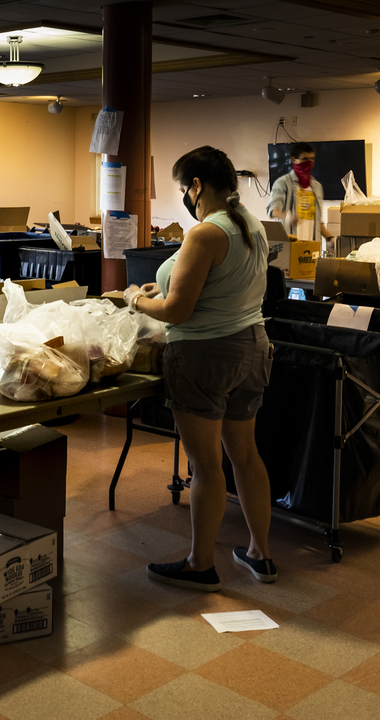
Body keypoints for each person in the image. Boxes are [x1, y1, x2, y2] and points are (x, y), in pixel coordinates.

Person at [126, 146, 277, 592]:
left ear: (196, 186)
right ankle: (260, 553)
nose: (184, 198)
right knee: (245, 455)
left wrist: (136, 299)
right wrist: (165, 286)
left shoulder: (205, 233)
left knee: (206, 464)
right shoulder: (251, 224)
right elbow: (218, 287)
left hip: (206, 357)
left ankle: (201, 564)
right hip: (252, 347)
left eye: (182, 189)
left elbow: (177, 313)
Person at [268, 142, 334, 243]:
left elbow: (318, 222)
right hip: (290, 244)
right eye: (305, 159)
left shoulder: (317, 187)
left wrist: (330, 238)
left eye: (312, 159)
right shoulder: (283, 183)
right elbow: (273, 211)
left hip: (312, 244)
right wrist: (287, 216)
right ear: (293, 159)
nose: (309, 163)